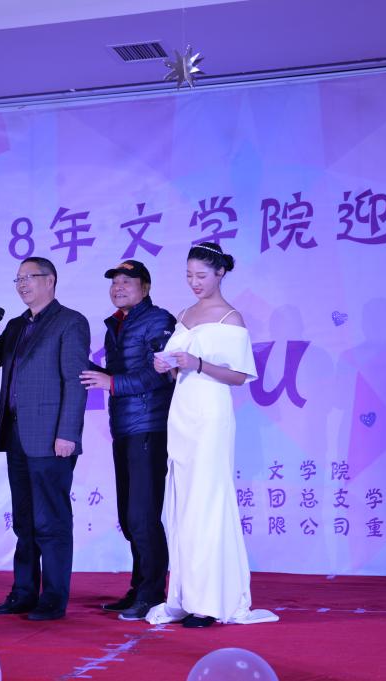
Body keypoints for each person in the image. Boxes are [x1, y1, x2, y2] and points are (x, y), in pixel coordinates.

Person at [0, 257, 90, 621]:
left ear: (50, 281)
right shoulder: (14, 325)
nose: (22, 284)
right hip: (16, 437)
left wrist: (67, 433)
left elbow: (75, 381)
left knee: (51, 522)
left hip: (52, 439)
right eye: (18, 279)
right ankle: (23, 593)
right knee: (25, 522)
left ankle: (53, 598)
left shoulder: (70, 322)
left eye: (30, 277)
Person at [147, 242, 277, 628]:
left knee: (207, 501)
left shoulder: (231, 318)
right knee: (183, 504)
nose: (194, 282)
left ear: (220, 273)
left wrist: (198, 363)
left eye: (201, 275)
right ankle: (186, 596)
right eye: (189, 275)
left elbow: (238, 375)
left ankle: (209, 601)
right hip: (182, 411)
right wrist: (168, 365)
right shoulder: (185, 314)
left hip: (211, 415)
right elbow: (179, 367)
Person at [79, 259, 174, 621]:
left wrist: (112, 382)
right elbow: (120, 374)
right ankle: (139, 587)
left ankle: (152, 593)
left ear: (145, 288)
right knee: (129, 515)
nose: (118, 288)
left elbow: (161, 374)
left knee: (143, 515)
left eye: (127, 282)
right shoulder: (117, 324)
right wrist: (90, 370)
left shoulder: (158, 320)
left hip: (150, 428)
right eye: (114, 282)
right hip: (124, 428)